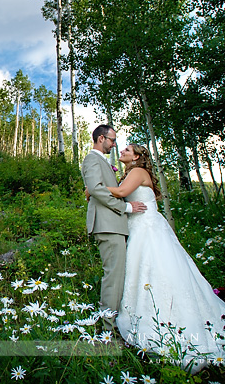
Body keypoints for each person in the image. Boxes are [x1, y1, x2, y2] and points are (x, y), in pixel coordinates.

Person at [108, 143, 225, 372]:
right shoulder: (133, 173)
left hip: (147, 231)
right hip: (142, 228)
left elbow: (123, 193)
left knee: (153, 270)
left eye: (127, 150)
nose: (123, 151)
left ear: (136, 156)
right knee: (148, 271)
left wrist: (95, 188)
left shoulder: (136, 171)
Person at [81, 125, 146, 333]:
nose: (115, 144)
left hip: (114, 225)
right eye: (112, 140)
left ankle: (113, 322)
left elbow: (100, 189)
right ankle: (107, 329)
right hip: (108, 225)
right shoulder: (92, 159)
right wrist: (125, 207)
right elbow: (96, 189)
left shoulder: (103, 161)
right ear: (101, 139)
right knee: (113, 277)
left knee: (117, 275)